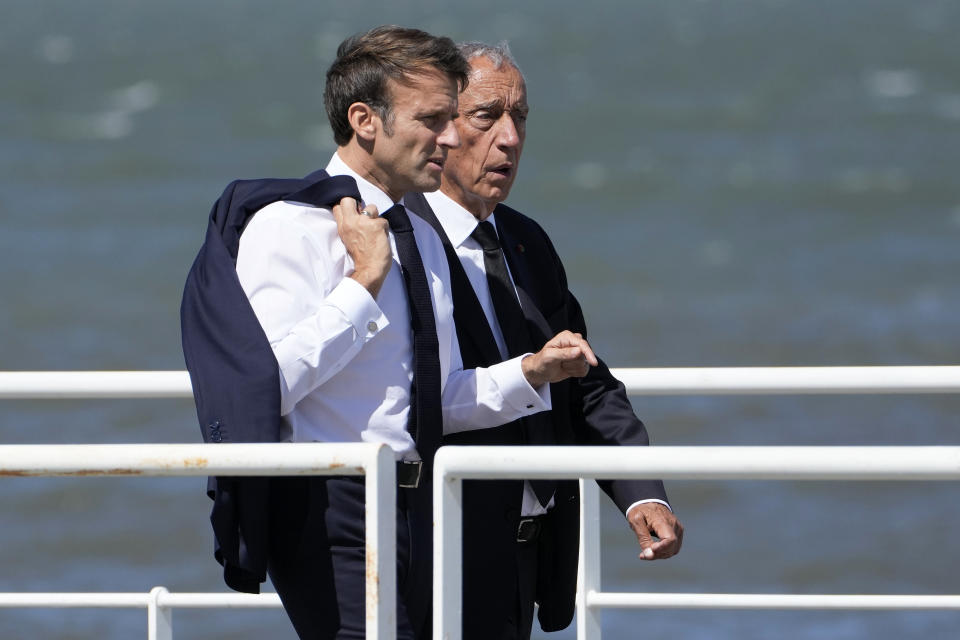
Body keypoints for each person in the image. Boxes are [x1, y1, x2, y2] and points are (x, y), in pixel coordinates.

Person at [182, 26, 599, 640]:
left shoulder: (426, 237)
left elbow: (434, 399)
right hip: (331, 508)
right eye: (433, 119)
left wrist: (528, 373)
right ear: (364, 120)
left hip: (424, 506)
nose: (451, 136)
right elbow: (264, 390)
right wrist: (364, 282)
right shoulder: (288, 227)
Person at [404, 41, 685, 640]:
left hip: (531, 560)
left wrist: (641, 495)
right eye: (486, 116)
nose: (509, 138)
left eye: (521, 117)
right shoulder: (399, 242)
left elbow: (587, 382)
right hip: (439, 555)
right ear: (438, 128)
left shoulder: (527, 240)